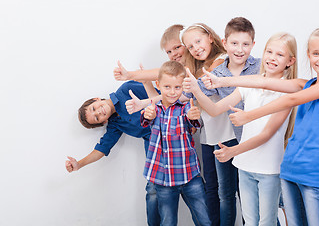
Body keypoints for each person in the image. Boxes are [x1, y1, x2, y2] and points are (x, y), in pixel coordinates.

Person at [203, 25, 319, 226]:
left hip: (314, 174)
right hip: (289, 169)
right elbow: (262, 82)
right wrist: (221, 81)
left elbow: (290, 100)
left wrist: (249, 116)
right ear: (308, 55)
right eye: (316, 53)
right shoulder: (305, 83)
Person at [184, 32, 298, 225]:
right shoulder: (250, 84)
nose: (272, 57)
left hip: (269, 169)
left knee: (266, 222)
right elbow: (214, 109)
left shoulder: (288, 89)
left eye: (280, 54)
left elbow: (267, 134)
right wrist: (196, 89)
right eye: (269, 51)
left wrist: (233, 151)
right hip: (244, 167)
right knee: (251, 221)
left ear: (290, 61)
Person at [183, 17, 261, 226]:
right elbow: (189, 94)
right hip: (229, 139)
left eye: (245, 44)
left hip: (258, 140)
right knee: (227, 192)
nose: (240, 49)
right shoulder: (215, 73)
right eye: (234, 44)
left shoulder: (260, 66)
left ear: (253, 45)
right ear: (225, 44)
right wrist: (192, 92)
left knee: (254, 195)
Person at [65, 81, 161, 226]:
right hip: (154, 144)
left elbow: (161, 96)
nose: (99, 112)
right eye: (97, 117)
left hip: (172, 128)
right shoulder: (115, 124)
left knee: (189, 185)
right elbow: (101, 149)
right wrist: (78, 164)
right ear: (103, 122)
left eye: (94, 108)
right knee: (153, 188)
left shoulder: (126, 89)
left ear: (97, 99)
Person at [141, 60, 211, 226]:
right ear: (158, 85)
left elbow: (195, 121)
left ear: (183, 87)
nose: (172, 92)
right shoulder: (154, 109)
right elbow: (146, 119)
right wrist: (147, 115)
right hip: (164, 180)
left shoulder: (186, 108)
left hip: (189, 176)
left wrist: (195, 116)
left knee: (204, 219)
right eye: (167, 87)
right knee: (168, 221)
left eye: (177, 88)